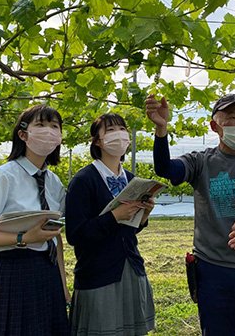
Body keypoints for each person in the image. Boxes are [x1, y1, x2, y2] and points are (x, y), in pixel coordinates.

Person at [146, 93, 235, 336]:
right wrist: (161, 130)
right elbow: (165, 168)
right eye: (231, 119)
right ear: (215, 126)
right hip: (213, 271)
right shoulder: (201, 162)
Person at [0, 105, 70, 336]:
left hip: (47, 271)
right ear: (23, 134)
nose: (48, 131)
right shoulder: (4, 176)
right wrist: (24, 238)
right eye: (40, 125)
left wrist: (63, 285)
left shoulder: (54, 182)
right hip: (13, 271)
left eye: (54, 126)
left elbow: (54, 238)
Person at [66, 113, 155, 336]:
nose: (120, 135)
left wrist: (143, 216)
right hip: (99, 274)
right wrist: (114, 216)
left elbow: (129, 230)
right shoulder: (83, 180)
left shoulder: (131, 179)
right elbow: (75, 235)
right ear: (97, 141)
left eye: (122, 129)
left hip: (131, 268)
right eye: (111, 130)